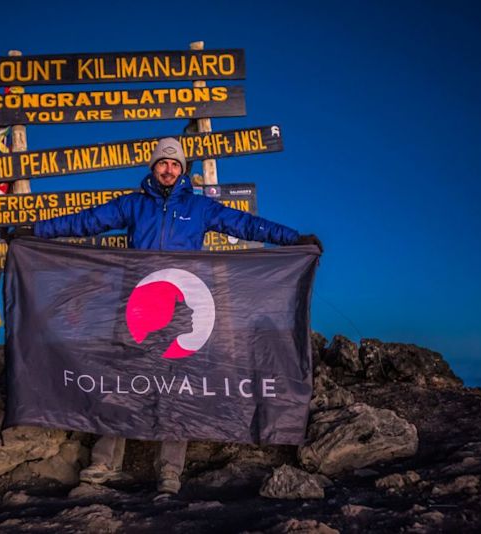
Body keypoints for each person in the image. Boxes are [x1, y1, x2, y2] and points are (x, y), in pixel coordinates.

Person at [31, 137, 322, 494]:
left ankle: (169, 471)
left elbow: (246, 225)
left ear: (183, 170)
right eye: (162, 163)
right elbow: (87, 221)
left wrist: (292, 239)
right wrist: (36, 232)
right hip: (136, 309)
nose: (168, 169)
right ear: (153, 167)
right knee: (122, 383)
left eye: (175, 164)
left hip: (182, 312)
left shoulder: (200, 208)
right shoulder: (133, 205)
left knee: (178, 390)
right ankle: (104, 463)